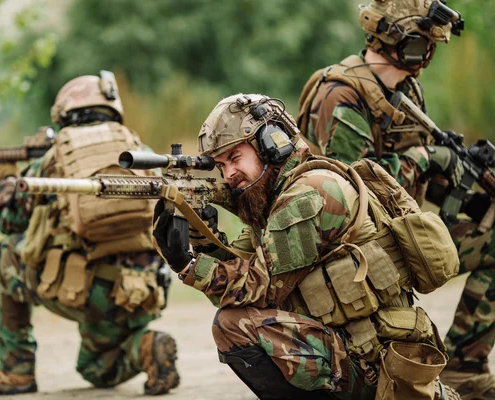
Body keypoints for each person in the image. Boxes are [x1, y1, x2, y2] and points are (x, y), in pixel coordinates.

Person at [153, 93, 460, 399]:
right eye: (221, 165)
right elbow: (234, 288)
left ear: (273, 144)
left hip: (379, 360)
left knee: (234, 327)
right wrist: (203, 241)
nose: (229, 174)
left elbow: (262, 287)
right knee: (234, 318)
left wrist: (189, 267)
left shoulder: (308, 193)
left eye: (235, 158)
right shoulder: (274, 203)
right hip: (358, 349)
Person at [296, 1, 495, 397]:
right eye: (423, 45)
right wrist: (423, 160)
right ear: (394, 40)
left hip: (394, 233)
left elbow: (417, 176)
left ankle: (464, 365)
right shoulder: (341, 94)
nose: (428, 56)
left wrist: (458, 173)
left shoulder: (405, 90)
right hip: (351, 254)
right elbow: (345, 188)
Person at [0, 72, 179, 395]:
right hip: (145, 290)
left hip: (91, 290)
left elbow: (8, 220)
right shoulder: (141, 150)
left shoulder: (57, 156)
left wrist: (9, 182)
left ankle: (16, 370)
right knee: (95, 368)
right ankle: (146, 345)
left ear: (66, 113)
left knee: (8, 252)